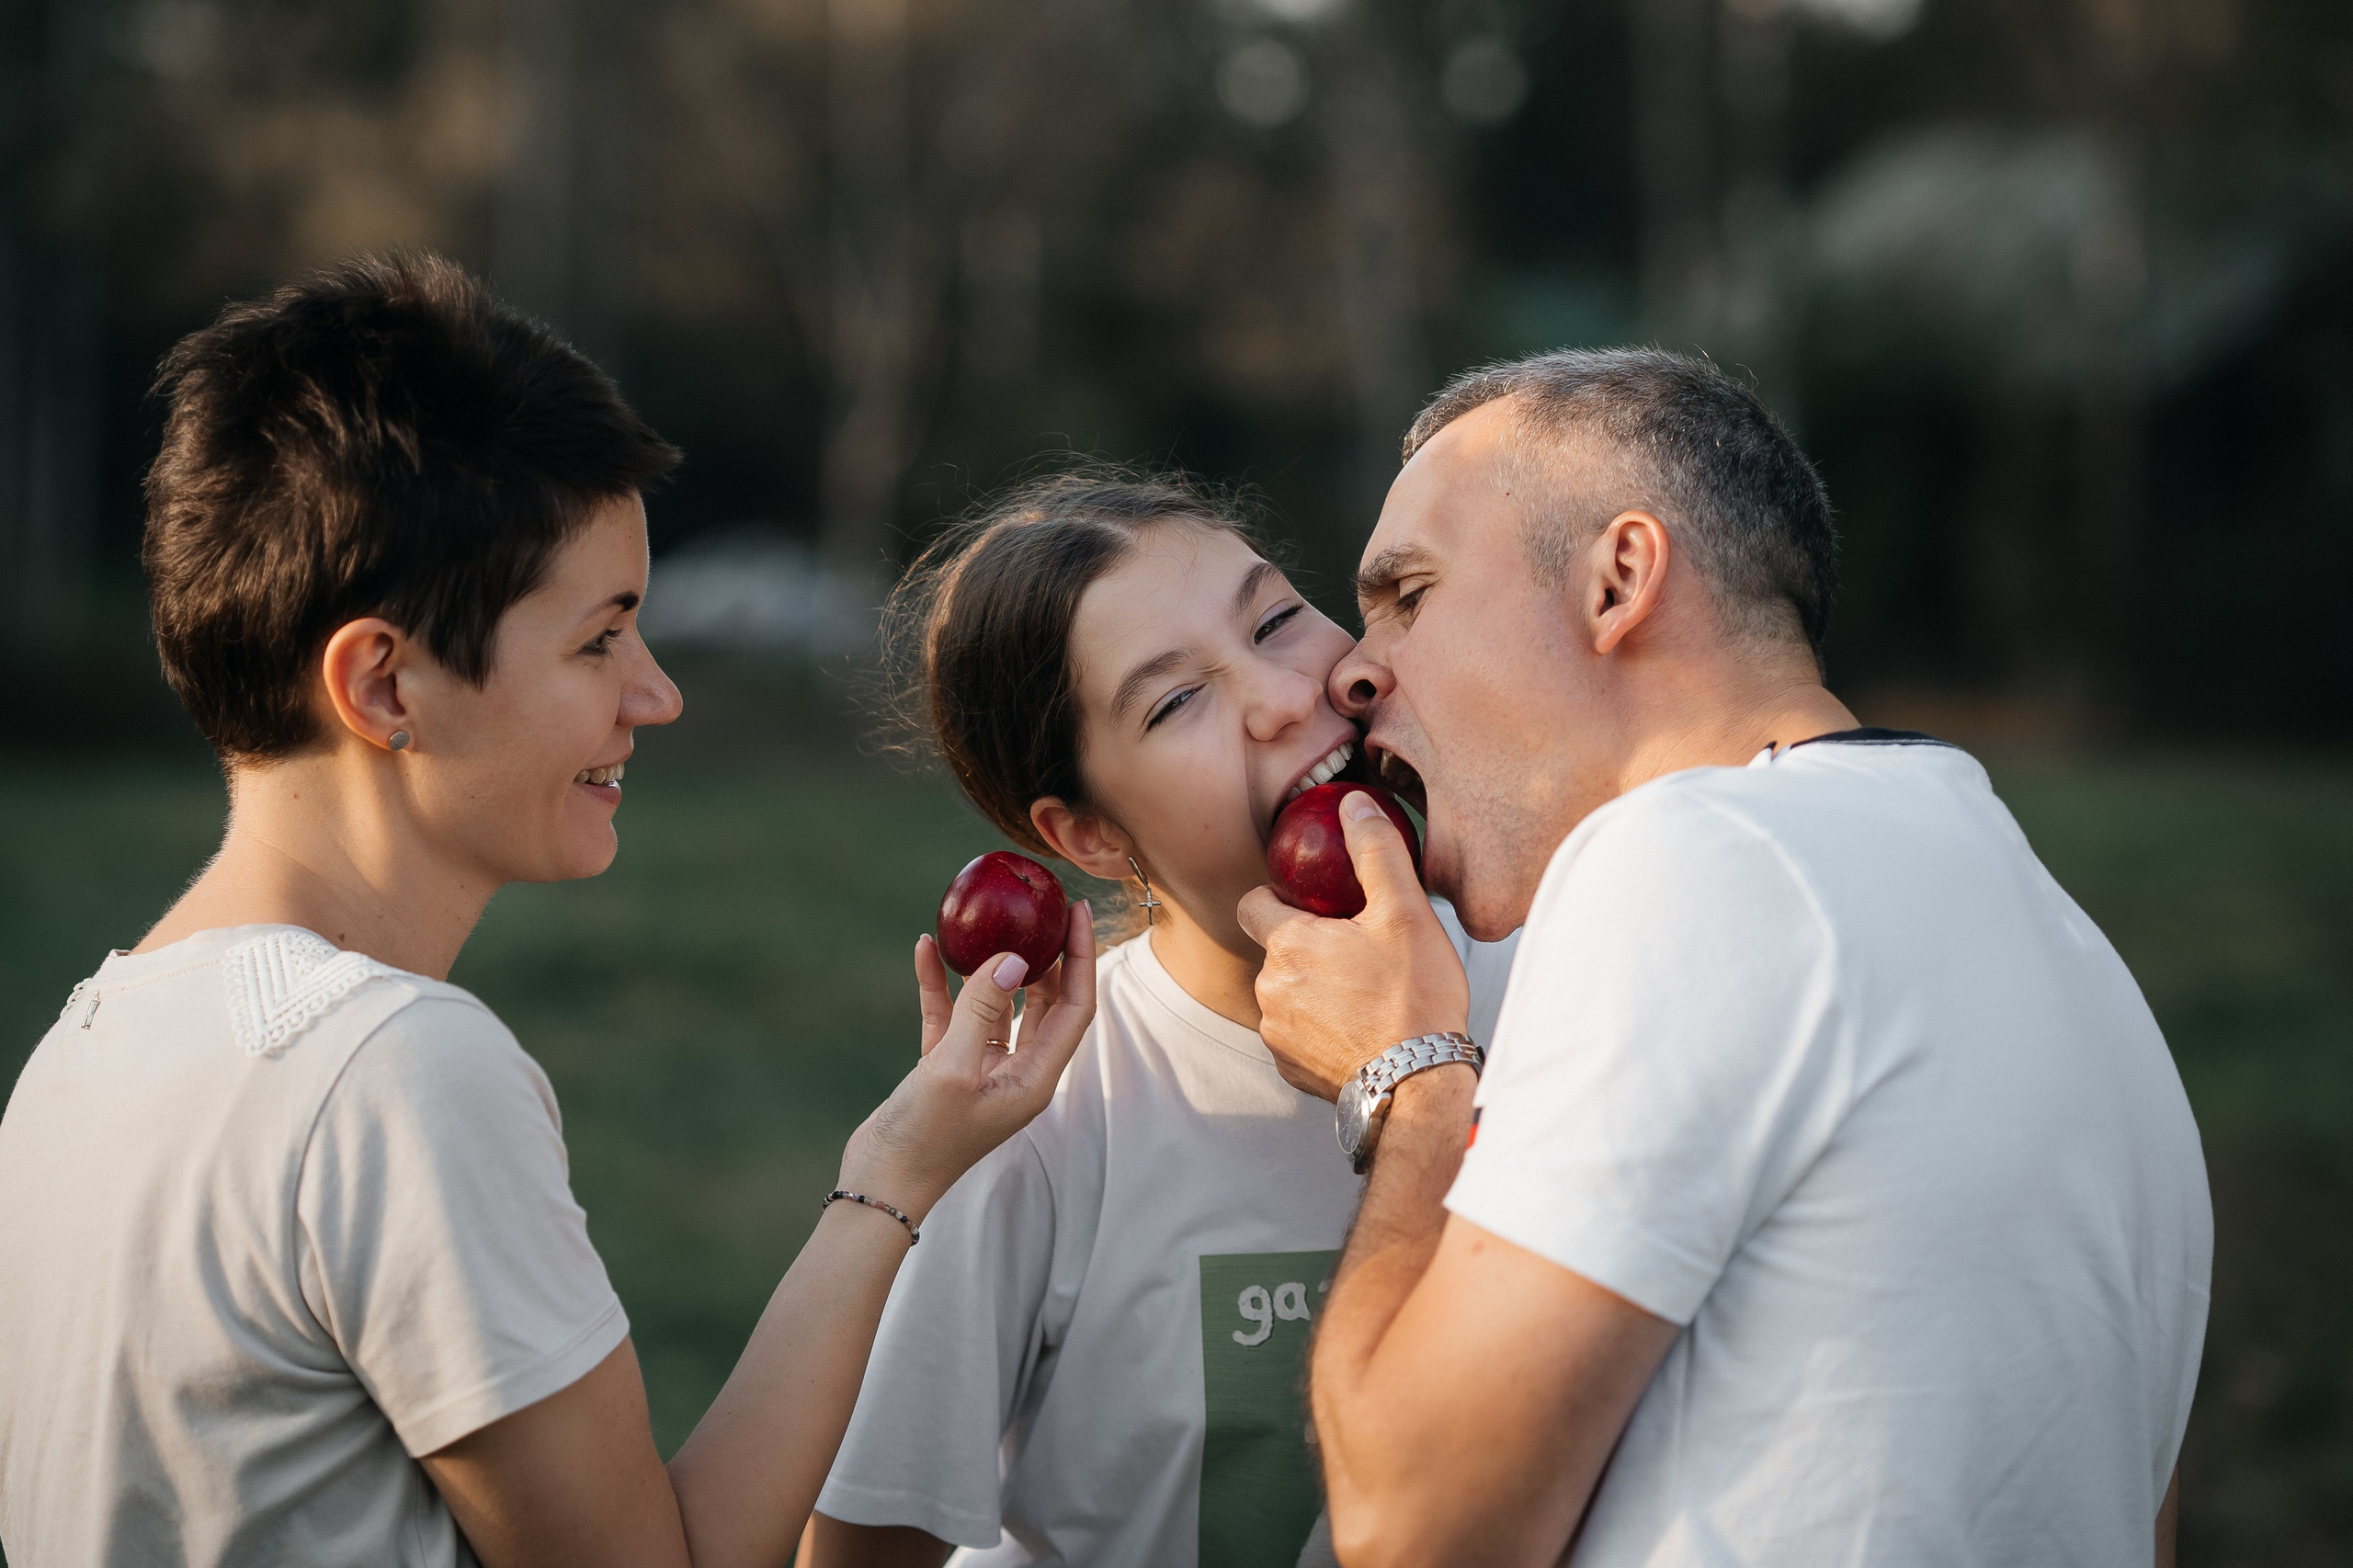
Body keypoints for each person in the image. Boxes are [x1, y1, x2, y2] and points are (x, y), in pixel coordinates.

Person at [0, 254, 1097, 1568]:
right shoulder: (389, 1071)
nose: (657, 694)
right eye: (599, 640)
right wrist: (895, 1177)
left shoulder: (84, 1045)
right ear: (386, 685)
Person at [1236, 348, 2212, 1567]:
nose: (1353, 669)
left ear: (1619, 580)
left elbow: (1415, 1527)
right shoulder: (2078, 961)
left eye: (1412, 593)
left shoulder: (1696, 853)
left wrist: (1416, 1081)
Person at [799, 472, 1518, 1568]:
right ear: (1083, 832)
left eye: (1276, 617)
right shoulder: (1035, 1118)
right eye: (1176, 701)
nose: (1282, 696)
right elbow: (859, 1549)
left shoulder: (1565, 983)